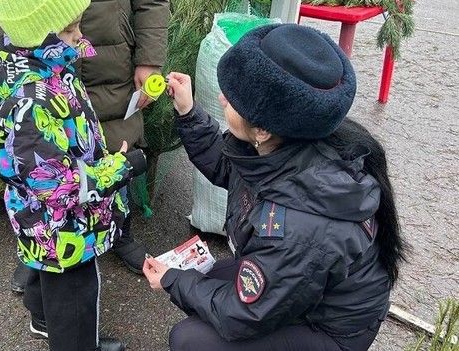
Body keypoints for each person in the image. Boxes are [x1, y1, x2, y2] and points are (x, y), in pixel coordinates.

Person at [143, 24, 407, 351]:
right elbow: (228, 166)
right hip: (305, 286)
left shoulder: (299, 224)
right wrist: (188, 110)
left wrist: (171, 279)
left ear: (263, 130)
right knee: (207, 279)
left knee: (189, 339)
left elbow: (242, 315)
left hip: (327, 329)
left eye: (234, 99)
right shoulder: (290, 141)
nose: (223, 98)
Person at [0, 0, 169, 291]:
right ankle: (43, 252)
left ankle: (112, 228)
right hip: (33, 39)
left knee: (106, 134)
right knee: (45, 159)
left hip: (110, 40)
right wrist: (14, 35)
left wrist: (150, 52)